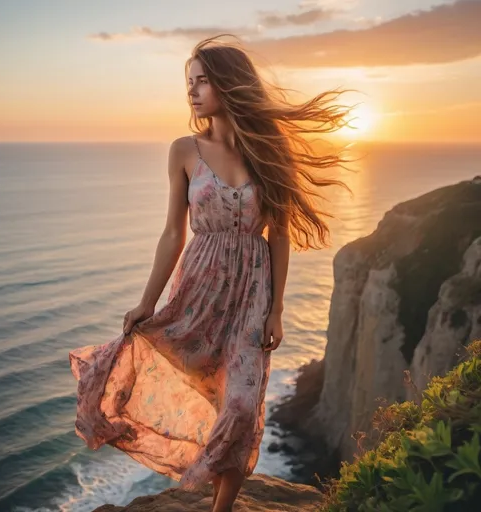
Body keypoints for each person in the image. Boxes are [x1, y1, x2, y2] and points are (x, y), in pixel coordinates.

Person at [69, 35, 353, 512]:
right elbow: (171, 236)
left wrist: (277, 310)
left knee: (241, 403)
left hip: (252, 292)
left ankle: (221, 507)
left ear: (229, 84)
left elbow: (280, 233)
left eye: (203, 81)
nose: (193, 91)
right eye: (190, 83)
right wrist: (147, 302)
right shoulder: (183, 151)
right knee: (205, 392)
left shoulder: (269, 151)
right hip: (198, 289)